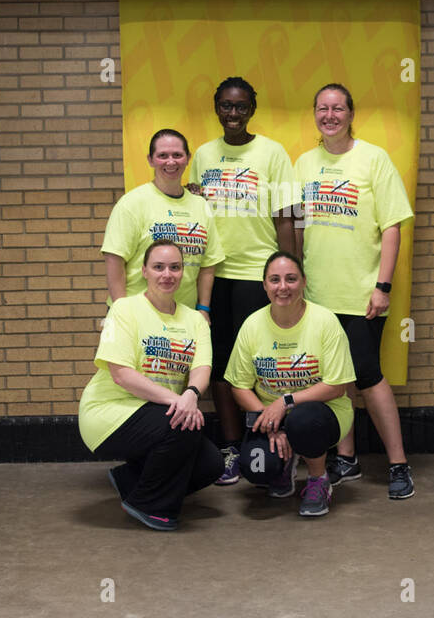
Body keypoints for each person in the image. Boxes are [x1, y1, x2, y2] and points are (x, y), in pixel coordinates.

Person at [294, 83, 416, 499]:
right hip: (316, 295)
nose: (330, 115)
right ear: (314, 113)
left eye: (338, 108)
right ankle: (345, 458)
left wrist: (383, 286)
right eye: (322, 108)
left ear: (350, 114)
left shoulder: (373, 159)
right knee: (333, 378)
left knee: (367, 376)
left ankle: (398, 464)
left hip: (361, 294)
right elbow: (293, 224)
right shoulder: (304, 164)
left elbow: (393, 227)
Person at [187, 77, 299, 487]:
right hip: (213, 274)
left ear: (253, 108)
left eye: (241, 106)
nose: (233, 114)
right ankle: (233, 447)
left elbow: (286, 215)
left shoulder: (273, 153)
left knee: (257, 366)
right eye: (225, 106)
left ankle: (269, 443)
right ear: (216, 107)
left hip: (256, 273)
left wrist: (288, 271)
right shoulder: (201, 155)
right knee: (219, 365)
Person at [79, 240, 222, 531]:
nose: (166, 274)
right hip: (109, 412)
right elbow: (121, 374)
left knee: (211, 465)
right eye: (158, 267)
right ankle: (149, 503)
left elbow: (201, 368)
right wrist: (177, 401)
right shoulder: (123, 310)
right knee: (181, 425)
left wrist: (191, 395)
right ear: (144, 271)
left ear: (183, 272)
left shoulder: (195, 320)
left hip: (156, 412)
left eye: (175, 267)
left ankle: (130, 480)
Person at [225, 252, 356, 517]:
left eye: (291, 279)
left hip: (322, 412)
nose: (283, 287)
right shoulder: (252, 325)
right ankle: (283, 466)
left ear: (304, 282)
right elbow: (239, 386)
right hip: (270, 416)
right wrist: (269, 421)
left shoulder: (325, 321)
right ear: (264, 285)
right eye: (275, 280)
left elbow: (337, 386)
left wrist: (284, 402)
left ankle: (319, 480)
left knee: (303, 421)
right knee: (257, 468)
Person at [101, 128, 225, 312]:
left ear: (187, 158)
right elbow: (114, 259)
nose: (171, 161)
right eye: (162, 155)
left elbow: (208, 264)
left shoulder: (200, 206)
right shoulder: (132, 203)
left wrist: (203, 309)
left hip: (183, 315)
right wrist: (122, 311)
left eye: (177, 154)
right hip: (137, 313)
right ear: (150, 160)